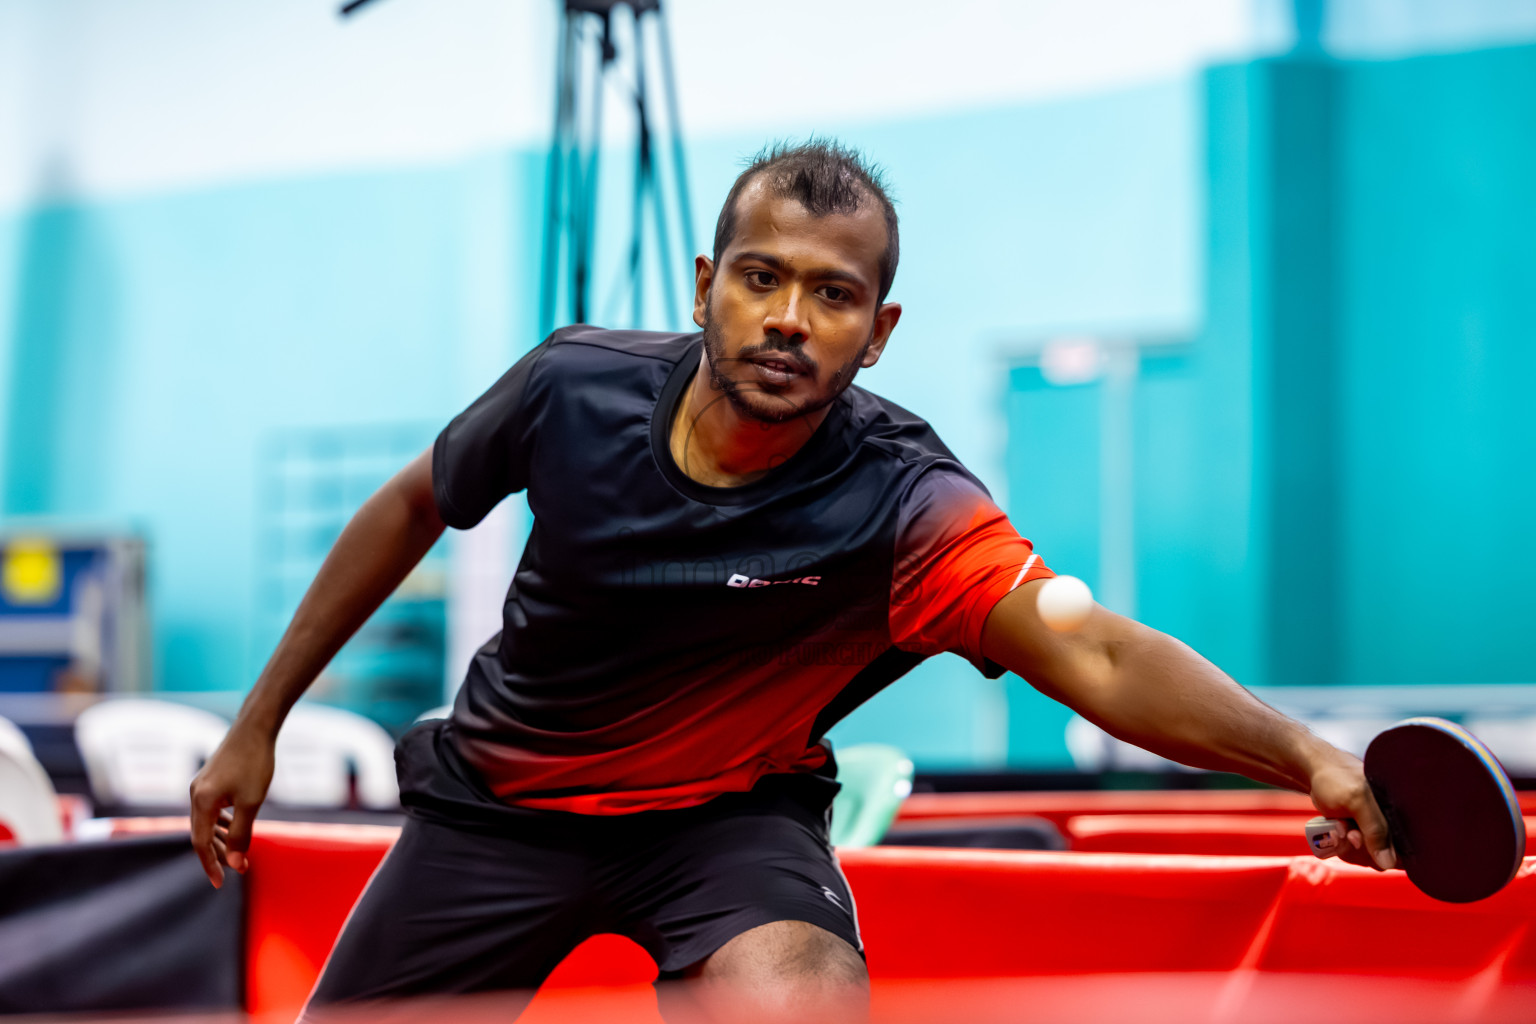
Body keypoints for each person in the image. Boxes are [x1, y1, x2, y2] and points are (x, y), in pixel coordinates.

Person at [190, 140, 1394, 1024]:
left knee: (802, 1002)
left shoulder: (907, 499)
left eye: (833, 294)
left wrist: (1313, 757)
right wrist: (257, 724)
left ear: (879, 330)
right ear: (705, 280)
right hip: (500, 809)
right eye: (761, 278)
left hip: (728, 824)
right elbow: (412, 502)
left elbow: (1096, 653)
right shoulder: (574, 387)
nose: (787, 318)